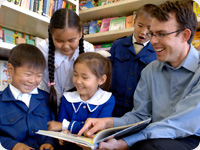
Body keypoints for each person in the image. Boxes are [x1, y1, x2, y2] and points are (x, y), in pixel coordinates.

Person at [78, 1, 200, 150]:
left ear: (185, 35)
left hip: (188, 138)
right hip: (150, 135)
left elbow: (180, 124)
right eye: (153, 34)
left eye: (161, 34)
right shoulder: (150, 71)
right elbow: (139, 116)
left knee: (146, 147)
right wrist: (106, 123)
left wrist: (126, 143)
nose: (153, 41)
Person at [48, 52, 115, 149]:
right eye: (75, 75)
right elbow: (59, 125)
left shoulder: (107, 99)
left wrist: (65, 126)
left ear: (101, 80)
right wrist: (63, 133)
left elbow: (98, 130)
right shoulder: (67, 98)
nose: (78, 81)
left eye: (85, 77)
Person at [37, 8, 94, 116]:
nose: (66, 46)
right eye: (59, 41)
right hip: (47, 107)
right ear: (51, 34)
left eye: (71, 40)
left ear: (81, 33)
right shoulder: (43, 49)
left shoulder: (88, 49)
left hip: (76, 110)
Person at [0, 44, 56, 150]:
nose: (32, 80)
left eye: (39, 75)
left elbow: (53, 128)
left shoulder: (46, 98)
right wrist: (13, 145)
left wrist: (50, 142)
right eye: (28, 74)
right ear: (10, 69)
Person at [109, 4, 157, 117]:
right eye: (140, 25)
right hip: (113, 106)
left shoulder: (157, 52)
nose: (143, 32)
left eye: (149, 29)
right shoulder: (118, 45)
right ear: (134, 21)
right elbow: (107, 74)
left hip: (140, 110)